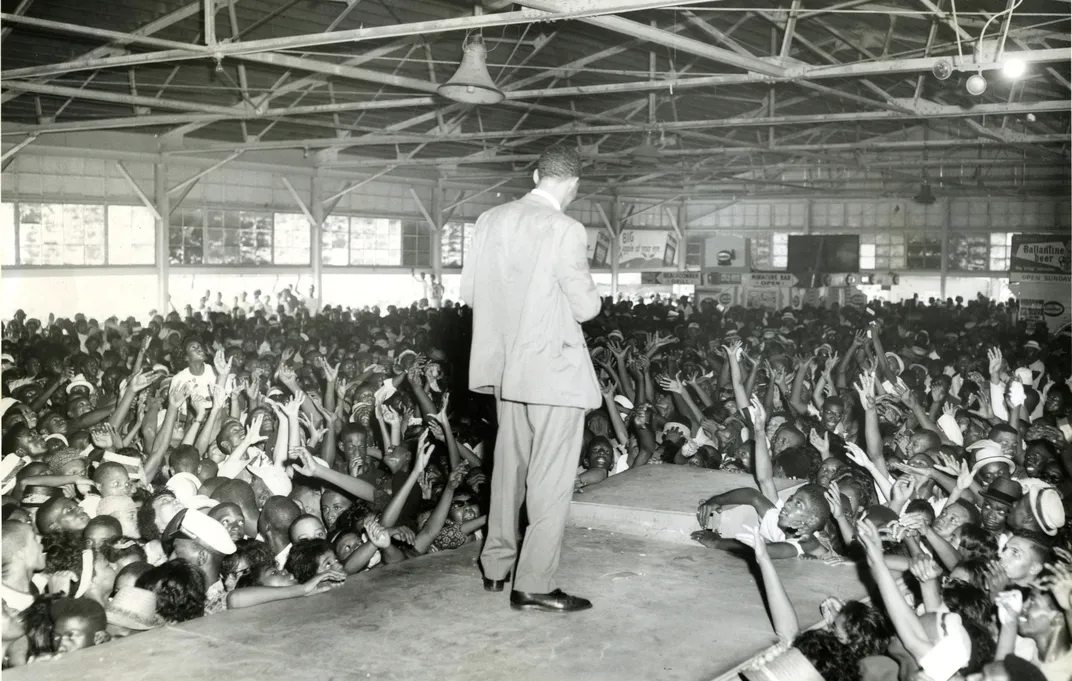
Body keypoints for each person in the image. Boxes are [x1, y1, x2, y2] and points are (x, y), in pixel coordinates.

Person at [461, 144, 601, 613]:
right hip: (553, 372)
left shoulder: (490, 220)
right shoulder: (566, 228)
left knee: (508, 469)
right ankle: (534, 584)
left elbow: (471, 295)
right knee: (550, 479)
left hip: (505, 370)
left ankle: (496, 569)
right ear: (574, 184)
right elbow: (586, 307)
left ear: (537, 174)